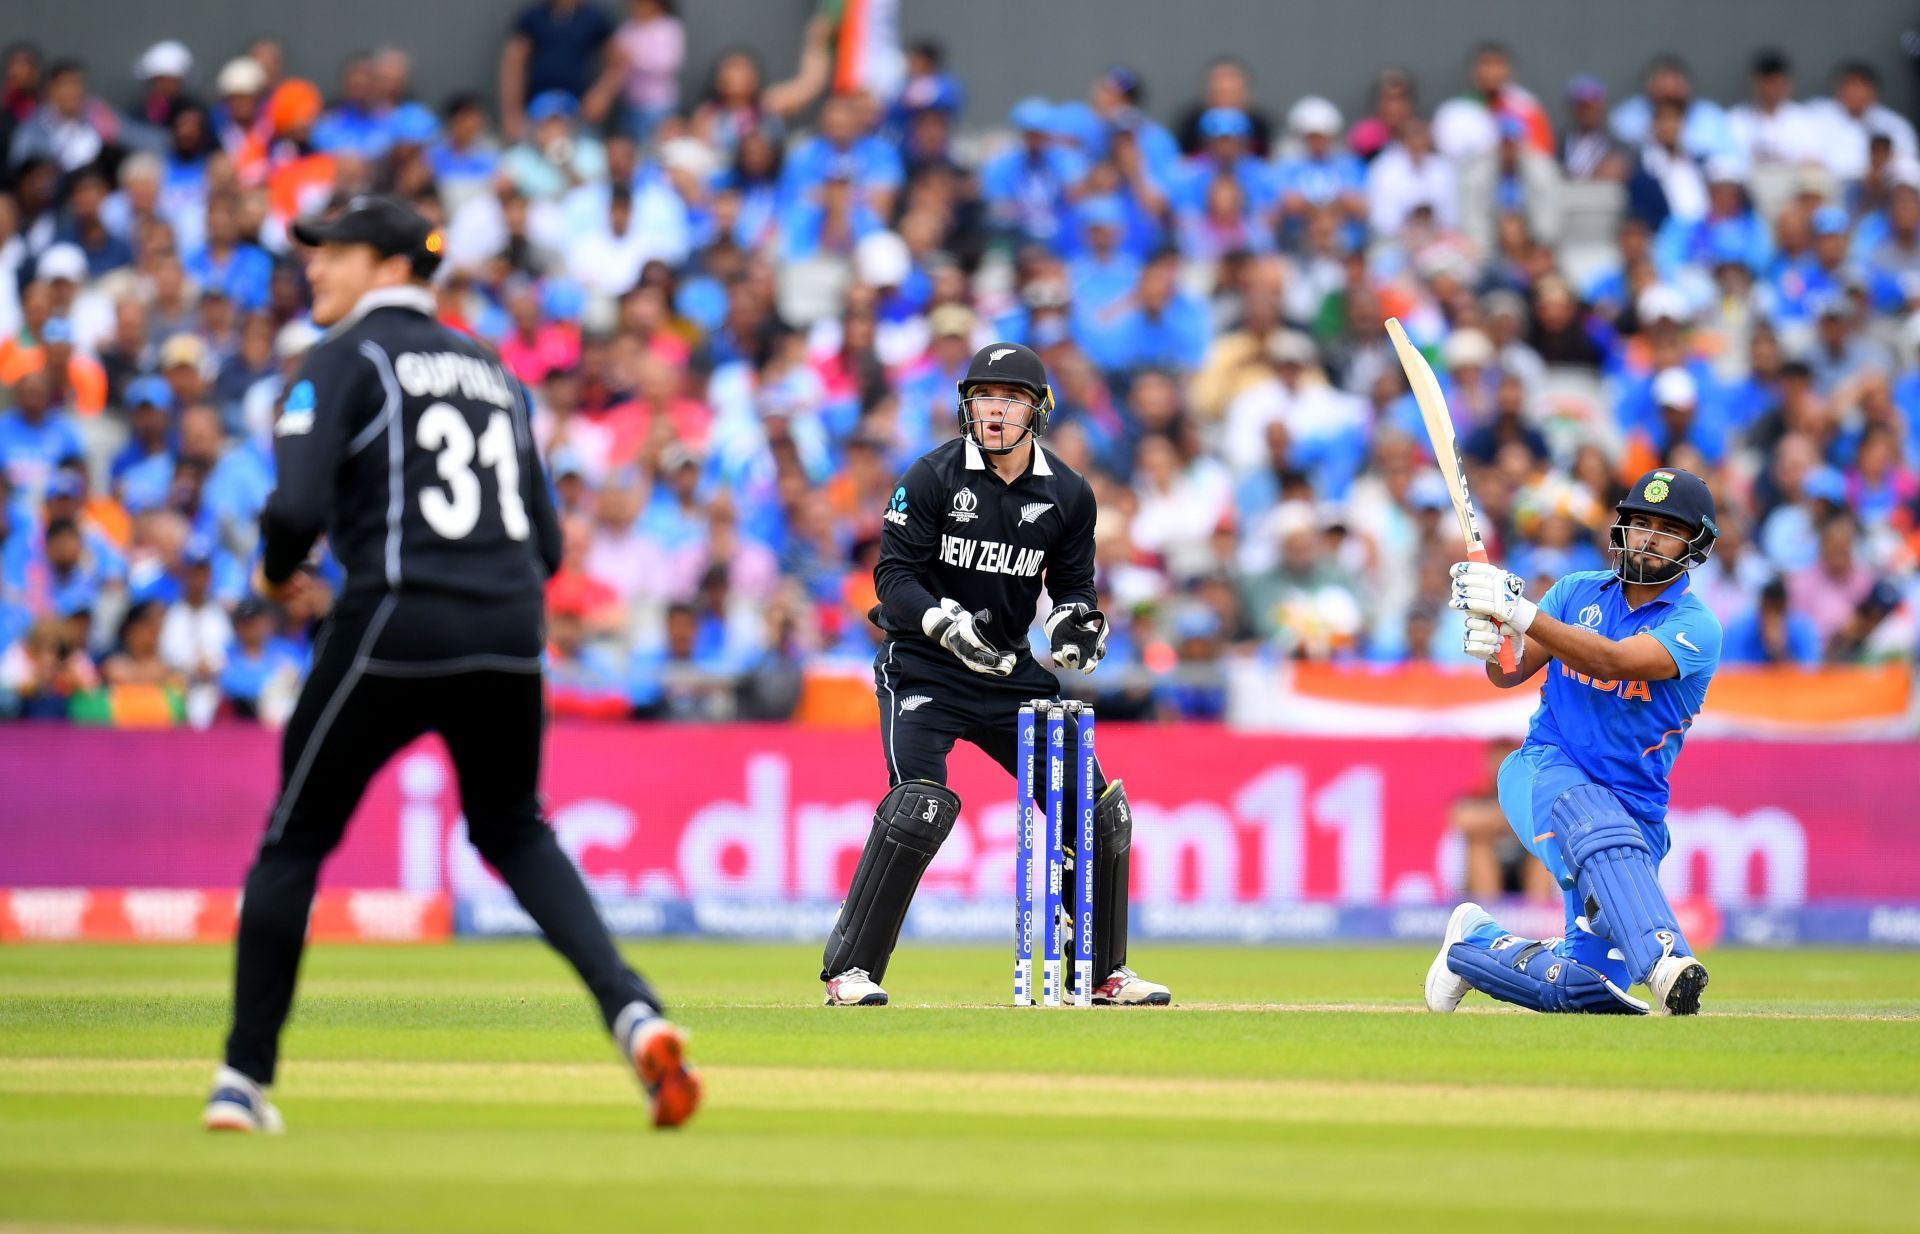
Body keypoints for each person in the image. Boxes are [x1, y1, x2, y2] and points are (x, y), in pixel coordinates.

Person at [203, 195, 697, 1134]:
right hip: (510, 630)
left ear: (391, 267)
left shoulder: (340, 360)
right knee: (514, 829)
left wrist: (276, 575)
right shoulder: (493, 371)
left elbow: (295, 508)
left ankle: (241, 1081)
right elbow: (548, 546)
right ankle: (635, 1013)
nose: (315, 269)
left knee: (295, 840)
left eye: (335, 253)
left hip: (393, 617)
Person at [818, 341, 1171, 1008]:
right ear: (966, 407)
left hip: (1009, 673)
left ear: (1037, 411)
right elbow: (891, 579)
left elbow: (1073, 590)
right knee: (918, 804)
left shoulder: (1069, 494)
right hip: (923, 665)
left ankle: (1101, 973)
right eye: (983, 398)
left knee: (1095, 813)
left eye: (1010, 399)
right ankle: (851, 972)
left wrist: (1076, 627)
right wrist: (943, 624)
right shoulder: (930, 477)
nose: (995, 411)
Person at [1428, 467, 1723, 1016]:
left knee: (1583, 991)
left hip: (1634, 812)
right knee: (1592, 817)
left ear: (1696, 544)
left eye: (1667, 527)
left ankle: (1471, 945)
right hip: (1544, 770)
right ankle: (1664, 960)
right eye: (1639, 523)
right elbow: (1510, 673)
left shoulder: (1697, 627)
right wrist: (1494, 636)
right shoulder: (1575, 592)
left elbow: (1608, 660)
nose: (1648, 536)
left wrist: (1520, 611)